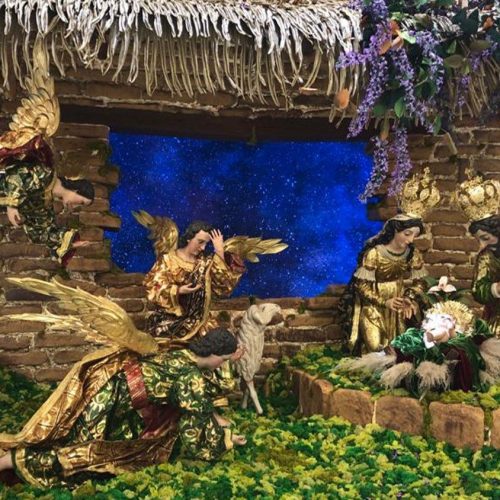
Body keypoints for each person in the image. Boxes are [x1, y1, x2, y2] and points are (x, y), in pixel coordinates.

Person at [0, 327, 246, 487]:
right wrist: (226, 440)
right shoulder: (189, 376)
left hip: (118, 397)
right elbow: (196, 420)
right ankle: (10, 460)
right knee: (84, 456)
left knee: (106, 455)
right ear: (215, 353)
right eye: (223, 361)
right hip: (109, 400)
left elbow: (205, 398)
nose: (221, 366)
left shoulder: (181, 350)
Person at [340, 168, 440, 353]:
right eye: (407, 234)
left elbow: (420, 282)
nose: (410, 240)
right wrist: (384, 302)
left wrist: (409, 298)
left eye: (414, 236)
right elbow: (361, 285)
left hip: (399, 306)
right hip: (374, 307)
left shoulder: (412, 253)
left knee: (401, 348)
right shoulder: (375, 253)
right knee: (376, 348)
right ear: (395, 230)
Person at [142, 219, 246, 340]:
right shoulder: (168, 260)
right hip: (171, 320)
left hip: (200, 323)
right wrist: (178, 290)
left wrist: (219, 252)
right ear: (189, 238)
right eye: (200, 242)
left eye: (206, 244)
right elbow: (153, 286)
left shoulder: (206, 264)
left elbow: (224, 287)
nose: (203, 248)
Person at [0, 134, 95, 264]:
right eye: (81, 202)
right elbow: (17, 174)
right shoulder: (45, 174)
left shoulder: (45, 204)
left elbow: (42, 233)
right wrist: (12, 205)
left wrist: (71, 244)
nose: (77, 207)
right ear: (76, 190)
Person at [455, 172, 499, 338]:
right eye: (479, 240)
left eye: (486, 238)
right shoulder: (486, 257)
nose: (481, 245)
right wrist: (495, 288)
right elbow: (477, 289)